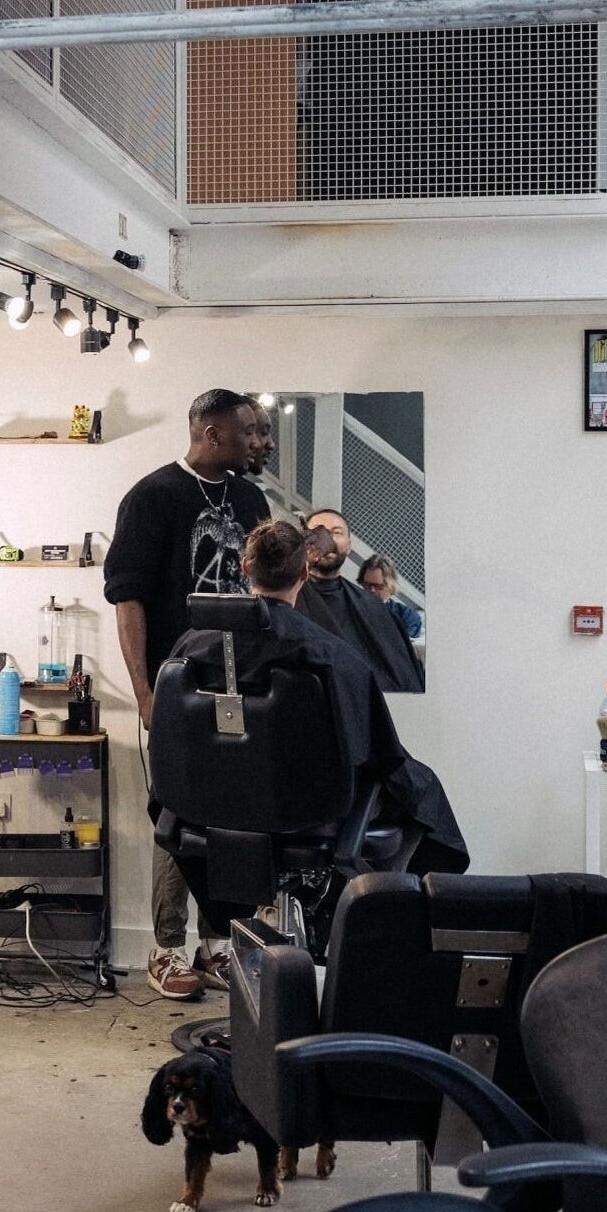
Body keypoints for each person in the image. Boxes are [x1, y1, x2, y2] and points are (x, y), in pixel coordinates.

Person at [168, 522, 468, 892]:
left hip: (212, 801)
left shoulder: (191, 645)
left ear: (245, 568)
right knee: (420, 793)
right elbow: (378, 752)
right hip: (307, 808)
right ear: (304, 574)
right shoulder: (329, 654)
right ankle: (376, 908)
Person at [104, 388, 270, 1001]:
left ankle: (217, 944)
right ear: (212, 434)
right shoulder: (153, 497)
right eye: (248, 432)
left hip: (243, 686)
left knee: (231, 817)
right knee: (176, 814)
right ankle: (167, 948)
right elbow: (129, 601)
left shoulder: (250, 500)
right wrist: (145, 691)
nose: (258, 442)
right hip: (178, 686)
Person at [295, 509, 425, 693]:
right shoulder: (284, 597)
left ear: (349, 546)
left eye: (336, 532)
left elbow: (403, 678)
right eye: (317, 531)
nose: (327, 539)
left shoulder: (374, 607)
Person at [359, 554, 423, 641]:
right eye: (367, 585)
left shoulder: (406, 616)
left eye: (378, 586)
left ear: (390, 585)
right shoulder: (351, 610)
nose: (372, 590)